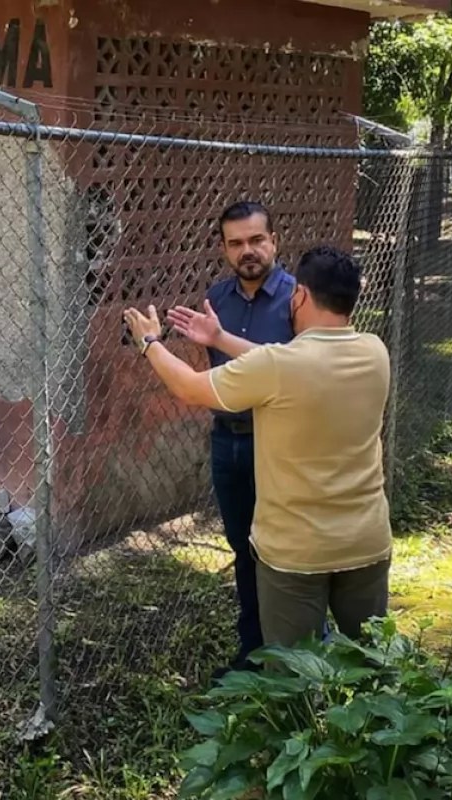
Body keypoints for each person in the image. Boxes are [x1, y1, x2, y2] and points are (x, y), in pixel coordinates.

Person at [126, 245, 392, 651]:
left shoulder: (278, 368)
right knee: (374, 662)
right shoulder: (375, 351)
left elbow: (190, 388)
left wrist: (150, 342)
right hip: (367, 543)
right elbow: (280, 366)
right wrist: (219, 338)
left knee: (292, 681)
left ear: (300, 295)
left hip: (296, 553)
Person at [167, 201, 296, 677]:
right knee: (243, 547)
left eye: (257, 240)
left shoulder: (297, 300)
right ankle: (253, 652)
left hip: (279, 442)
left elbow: (301, 371)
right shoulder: (215, 299)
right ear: (223, 248)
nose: (248, 251)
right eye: (236, 243)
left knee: (284, 549)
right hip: (228, 440)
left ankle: (298, 649)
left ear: (274, 241)